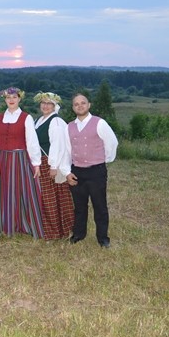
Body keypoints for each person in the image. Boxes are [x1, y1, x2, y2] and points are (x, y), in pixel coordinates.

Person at [0, 87, 44, 239]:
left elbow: (32, 142)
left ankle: (20, 222)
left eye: (14, 97)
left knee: (19, 190)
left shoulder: (26, 118)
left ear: (19, 99)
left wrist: (36, 163)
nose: (11, 100)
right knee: (0, 190)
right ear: (5, 99)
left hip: (19, 159)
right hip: (1, 158)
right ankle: (0, 222)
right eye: (8, 97)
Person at [57, 93, 118, 248]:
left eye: (83, 103)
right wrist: (67, 172)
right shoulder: (69, 127)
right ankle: (79, 234)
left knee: (100, 206)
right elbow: (66, 151)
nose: (80, 106)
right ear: (73, 108)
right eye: (76, 104)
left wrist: (102, 161)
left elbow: (112, 143)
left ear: (89, 105)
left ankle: (103, 238)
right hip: (77, 171)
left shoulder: (99, 123)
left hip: (96, 171)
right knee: (79, 207)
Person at [33, 92, 75, 240]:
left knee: (52, 197)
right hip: (42, 162)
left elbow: (58, 145)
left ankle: (57, 231)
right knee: (47, 197)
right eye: (43, 103)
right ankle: (50, 228)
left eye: (49, 103)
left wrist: (53, 166)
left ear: (54, 106)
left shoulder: (56, 122)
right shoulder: (39, 120)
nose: (45, 106)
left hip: (50, 163)